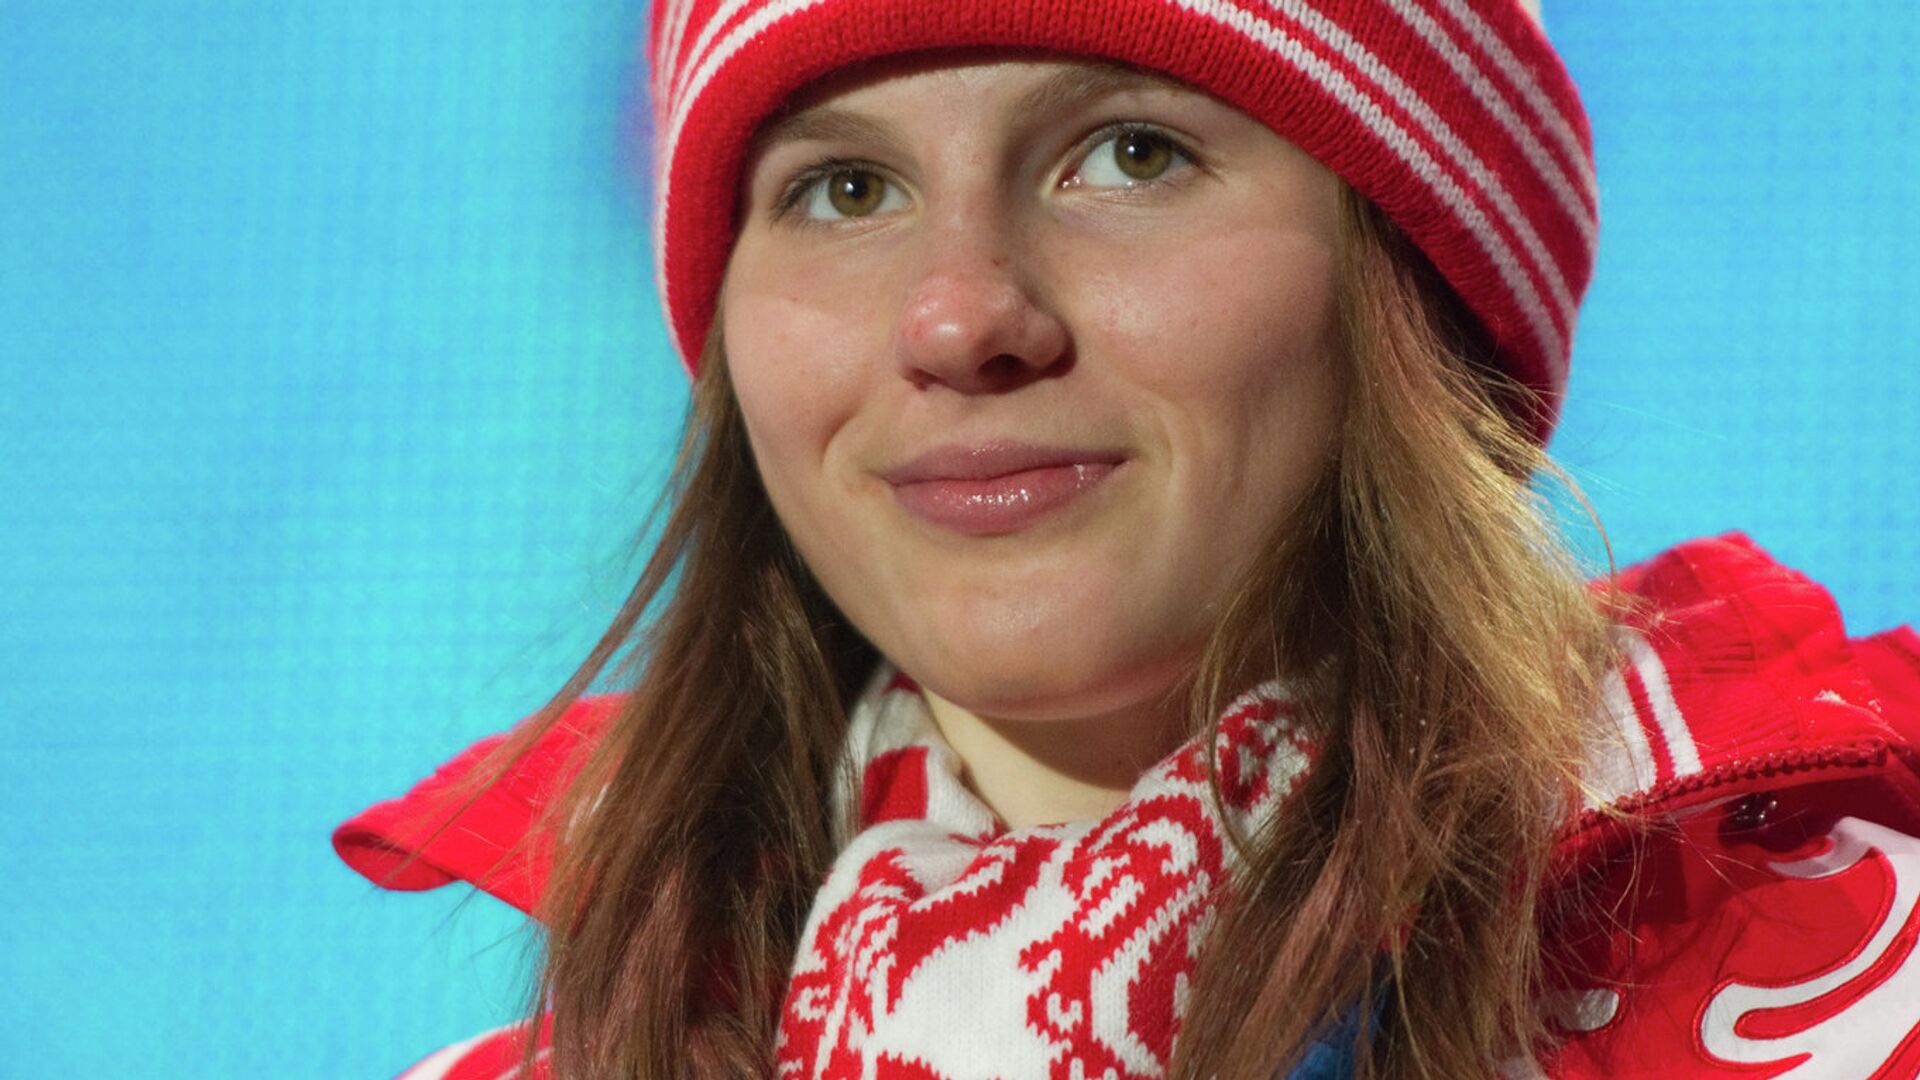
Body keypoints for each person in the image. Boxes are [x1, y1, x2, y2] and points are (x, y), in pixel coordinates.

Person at [334, 1, 1920, 1076]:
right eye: (844, 188)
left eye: (1131, 154)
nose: (959, 317)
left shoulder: (1853, 987)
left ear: (1417, 282)